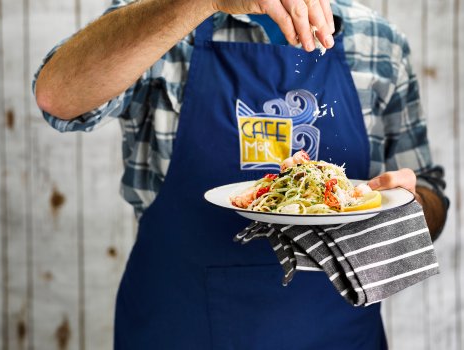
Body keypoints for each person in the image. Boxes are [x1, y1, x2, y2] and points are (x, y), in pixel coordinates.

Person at [34, 0, 449, 348]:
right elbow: (57, 98)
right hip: (180, 328)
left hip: (337, 333)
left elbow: (429, 194)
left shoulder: (379, 42)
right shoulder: (162, 21)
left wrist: (409, 205)